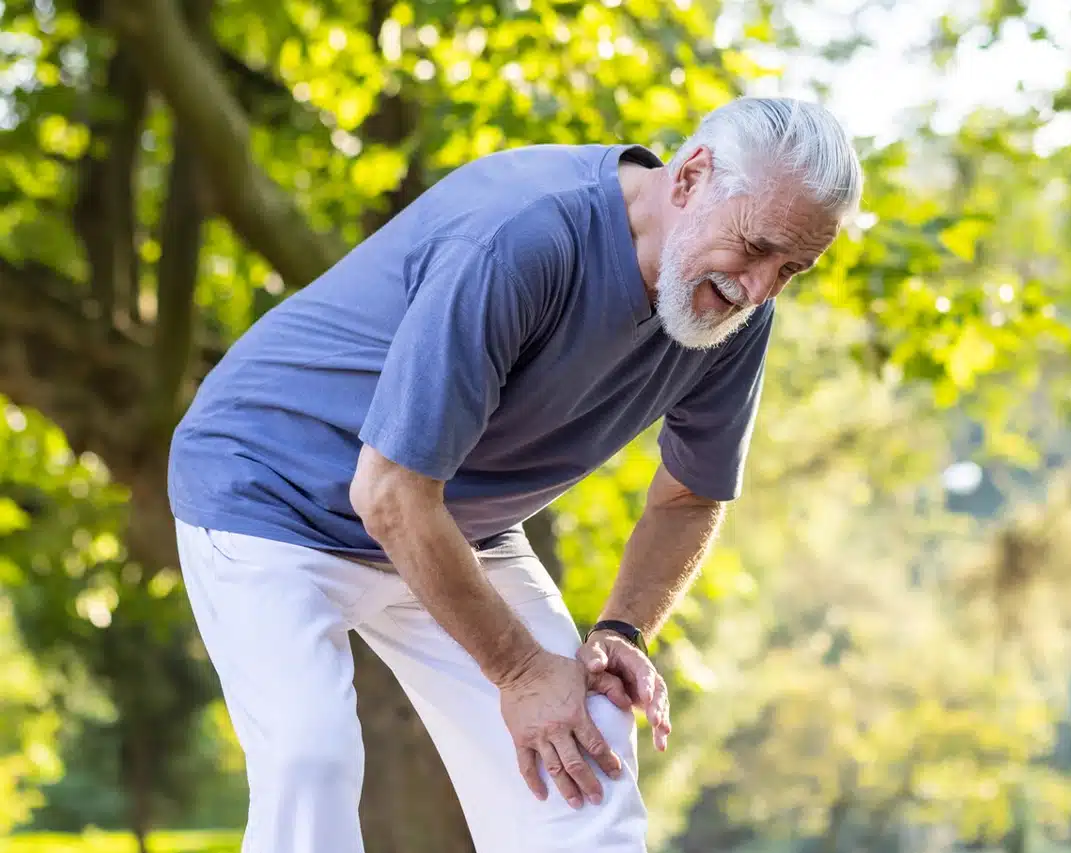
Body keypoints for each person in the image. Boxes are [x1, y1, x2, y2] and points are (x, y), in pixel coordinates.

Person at [166, 95, 862, 852]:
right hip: (272, 494)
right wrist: (522, 672)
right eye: (756, 246)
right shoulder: (525, 234)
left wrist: (622, 628)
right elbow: (389, 491)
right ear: (691, 176)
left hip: (453, 523)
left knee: (588, 733)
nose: (759, 287)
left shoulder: (735, 315)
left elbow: (691, 493)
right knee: (312, 758)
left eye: (792, 268)